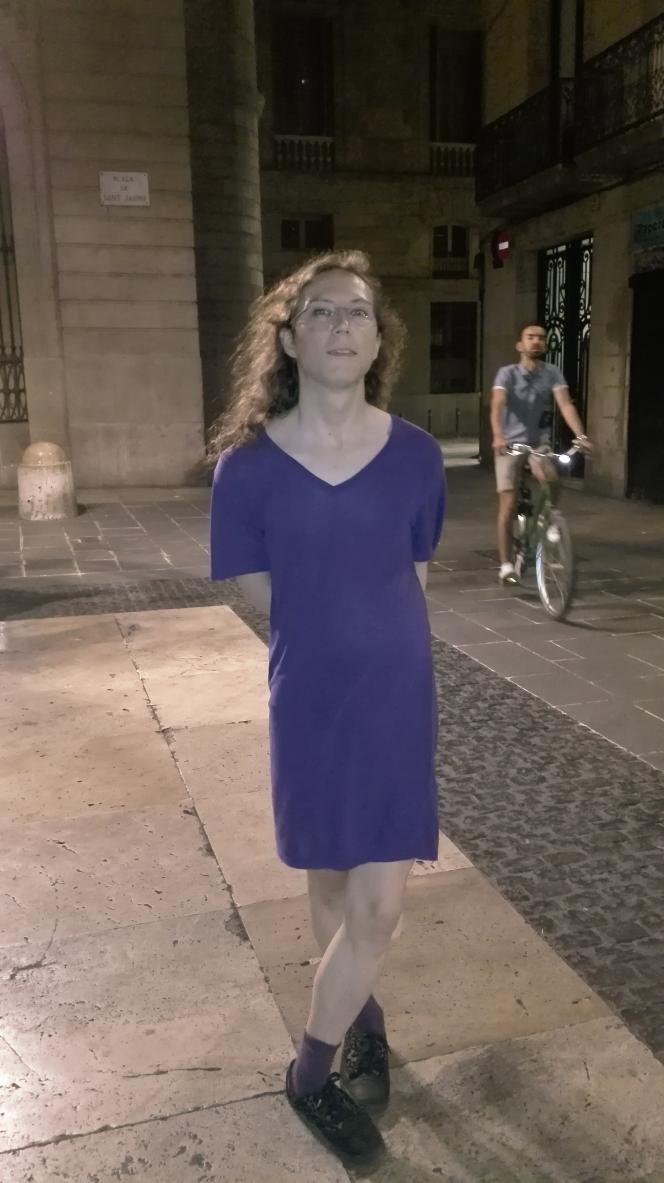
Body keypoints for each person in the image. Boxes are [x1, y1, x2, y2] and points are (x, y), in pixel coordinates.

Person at [209, 250, 445, 1166]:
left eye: (357, 312)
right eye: (320, 311)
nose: (341, 325)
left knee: (378, 908)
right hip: (309, 698)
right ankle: (362, 1018)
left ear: (379, 341)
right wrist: (325, 644)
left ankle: (308, 1071)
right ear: (288, 339)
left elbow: (409, 573)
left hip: (396, 698)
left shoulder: (417, 455)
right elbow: (265, 589)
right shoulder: (247, 468)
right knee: (332, 886)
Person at [490, 323, 591, 585]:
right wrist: (498, 435)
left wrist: (580, 436)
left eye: (541, 338)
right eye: (530, 337)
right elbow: (497, 405)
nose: (536, 341)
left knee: (551, 479)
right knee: (508, 504)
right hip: (509, 444)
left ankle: (548, 520)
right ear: (519, 344)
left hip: (538, 444)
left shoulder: (552, 373)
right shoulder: (507, 374)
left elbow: (565, 405)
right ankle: (505, 565)